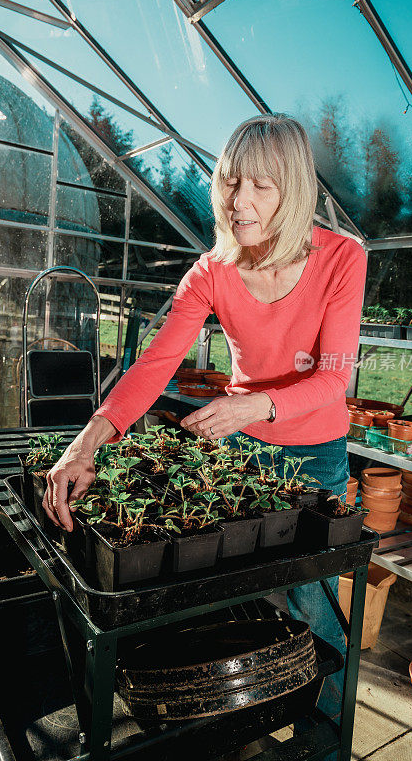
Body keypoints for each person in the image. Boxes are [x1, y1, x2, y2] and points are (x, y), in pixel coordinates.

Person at [43, 113, 367, 725]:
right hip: (241, 450)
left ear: (294, 189)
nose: (237, 201)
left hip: (314, 449)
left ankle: (329, 716)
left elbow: (333, 379)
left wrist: (254, 404)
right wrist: (85, 444)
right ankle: (239, 703)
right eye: (230, 182)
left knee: (312, 597)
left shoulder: (342, 258)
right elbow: (154, 364)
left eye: (260, 186)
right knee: (230, 590)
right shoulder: (213, 270)